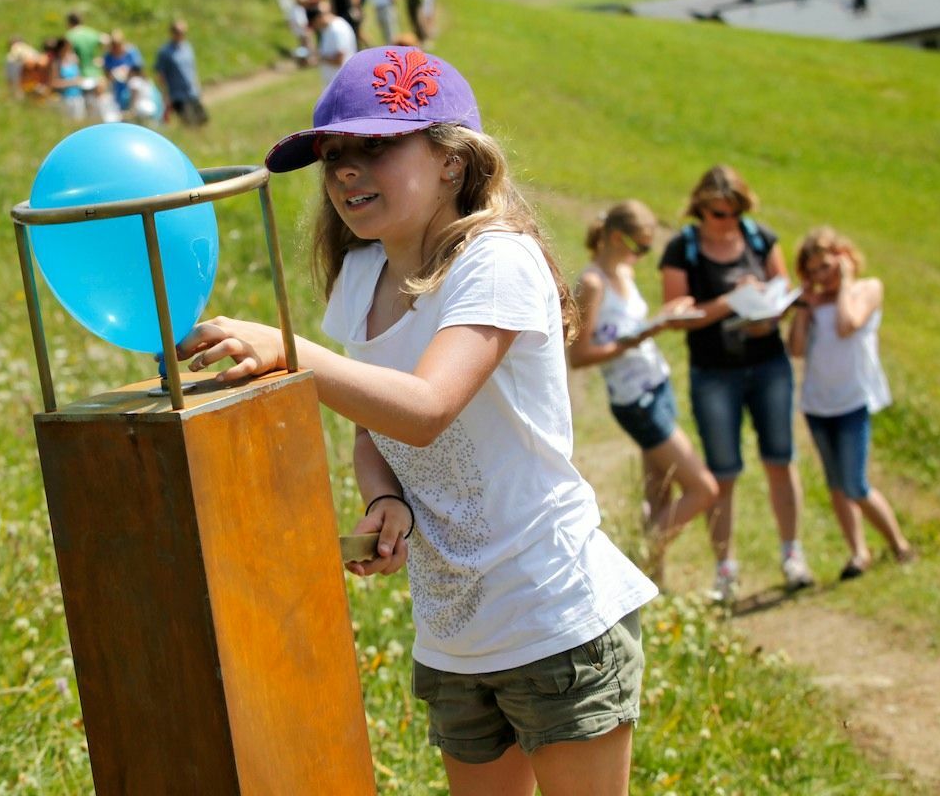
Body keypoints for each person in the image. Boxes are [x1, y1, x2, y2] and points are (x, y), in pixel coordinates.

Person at [176, 46, 657, 796]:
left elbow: (427, 409)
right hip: (454, 634)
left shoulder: (496, 261)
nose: (344, 170)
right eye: (334, 154)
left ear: (451, 162)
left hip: (552, 614)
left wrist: (289, 353)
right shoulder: (363, 275)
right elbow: (376, 425)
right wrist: (384, 499)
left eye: (375, 147)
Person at [658, 165, 815, 603]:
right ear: (700, 208)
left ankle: (792, 555)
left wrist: (765, 302)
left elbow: (782, 290)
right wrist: (729, 302)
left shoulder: (761, 237)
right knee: (722, 471)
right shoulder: (682, 248)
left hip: (768, 363)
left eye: (731, 212)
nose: (724, 220)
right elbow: (675, 313)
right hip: (714, 372)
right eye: (716, 212)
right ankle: (725, 570)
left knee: (780, 460)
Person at [568, 201, 719, 583]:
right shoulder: (592, 284)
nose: (643, 255)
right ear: (617, 238)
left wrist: (666, 317)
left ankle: (651, 581)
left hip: (657, 385)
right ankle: (635, 557)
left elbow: (632, 325)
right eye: (641, 246)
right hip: (637, 401)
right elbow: (580, 354)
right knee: (703, 489)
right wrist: (640, 338)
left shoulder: (624, 269)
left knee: (660, 495)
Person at [787, 228, 915, 579]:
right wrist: (802, 309)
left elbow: (848, 325)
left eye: (826, 267)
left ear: (843, 257)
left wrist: (844, 283)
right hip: (817, 404)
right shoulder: (813, 303)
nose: (820, 277)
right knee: (836, 485)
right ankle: (858, 552)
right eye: (812, 271)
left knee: (855, 483)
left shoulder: (866, 289)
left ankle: (899, 543)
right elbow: (795, 350)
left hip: (852, 401)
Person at [154, 19, 208, 127]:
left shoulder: (187, 47)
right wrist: (165, 94)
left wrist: (197, 85)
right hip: (177, 95)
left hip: (192, 91)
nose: (181, 35)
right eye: (178, 32)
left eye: (183, 32)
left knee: (202, 119)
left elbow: (192, 68)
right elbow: (160, 74)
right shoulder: (165, 52)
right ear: (172, 33)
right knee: (189, 122)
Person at [313, 1, 357, 87]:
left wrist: (320, 58)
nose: (315, 27)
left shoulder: (336, 29)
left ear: (319, 17)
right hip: (337, 83)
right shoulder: (328, 28)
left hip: (342, 83)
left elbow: (339, 59)